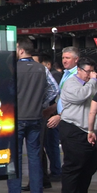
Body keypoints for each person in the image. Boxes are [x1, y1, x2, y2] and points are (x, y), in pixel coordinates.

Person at [1, 40, 53, 193]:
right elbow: (54, 89)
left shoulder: (13, 69)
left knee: (14, 158)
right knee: (35, 156)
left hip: (16, 118)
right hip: (36, 117)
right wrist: (42, 104)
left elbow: (6, 92)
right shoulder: (42, 69)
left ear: (21, 50)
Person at [48, 48, 97, 193]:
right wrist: (92, 81)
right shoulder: (71, 83)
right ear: (79, 70)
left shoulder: (91, 84)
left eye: (92, 71)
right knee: (73, 165)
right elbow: (80, 97)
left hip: (88, 130)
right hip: (73, 129)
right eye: (87, 71)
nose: (90, 75)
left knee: (90, 165)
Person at [38, 51, 62, 183]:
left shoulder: (54, 75)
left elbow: (55, 91)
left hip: (52, 114)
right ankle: (53, 172)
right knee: (48, 145)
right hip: (51, 112)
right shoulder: (54, 75)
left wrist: (46, 105)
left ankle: (55, 171)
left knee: (51, 144)